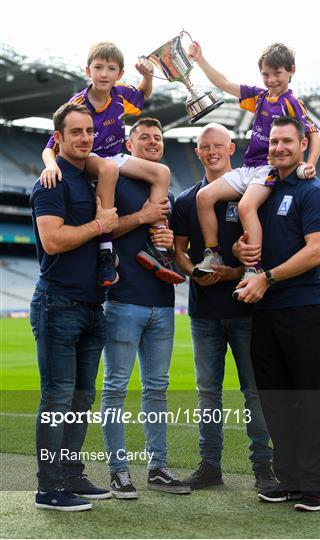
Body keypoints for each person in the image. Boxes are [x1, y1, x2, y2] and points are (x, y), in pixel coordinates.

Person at [234, 116, 320, 512]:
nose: (278, 148)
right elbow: (254, 244)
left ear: (302, 145)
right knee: (276, 399)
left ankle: (315, 486)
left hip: (302, 306)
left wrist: (268, 278)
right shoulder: (264, 188)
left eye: (286, 142)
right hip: (267, 308)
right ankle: (289, 479)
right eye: (273, 141)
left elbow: (315, 251)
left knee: (308, 398)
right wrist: (245, 254)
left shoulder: (312, 190)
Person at [173, 123, 276, 491]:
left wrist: (235, 270)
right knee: (208, 393)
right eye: (205, 146)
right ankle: (210, 465)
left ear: (231, 147)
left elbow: (265, 249)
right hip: (203, 312)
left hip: (247, 310)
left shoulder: (253, 190)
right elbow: (179, 251)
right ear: (197, 151)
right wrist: (193, 273)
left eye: (218, 145)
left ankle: (264, 466)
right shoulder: (187, 199)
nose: (212, 151)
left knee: (254, 391)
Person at [30, 102, 119, 511]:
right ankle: (49, 487)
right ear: (59, 139)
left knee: (82, 397)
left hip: (90, 306)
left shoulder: (91, 178)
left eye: (89, 131)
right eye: (76, 132)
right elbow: (53, 240)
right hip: (57, 304)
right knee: (57, 398)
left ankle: (71, 473)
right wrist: (100, 226)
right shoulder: (51, 182)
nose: (85, 138)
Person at [41, 42, 183, 287]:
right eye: (98, 67)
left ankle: (158, 246)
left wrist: (147, 77)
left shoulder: (120, 93)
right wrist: (51, 166)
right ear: (88, 72)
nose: (104, 74)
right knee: (108, 169)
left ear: (119, 74)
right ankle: (106, 250)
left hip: (115, 154)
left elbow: (143, 95)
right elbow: (49, 145)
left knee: (162, 172)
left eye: (111, 69)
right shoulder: (78, 104)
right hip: (89, 157)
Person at [101, 117, 190, 498]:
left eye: (158, 138)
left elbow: (171, 248)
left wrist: (168, 240)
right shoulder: (114, 177)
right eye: (145, 137)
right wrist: (141, 217)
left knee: (157, 389)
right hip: (123, 300)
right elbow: (102, 229)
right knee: (116, 388)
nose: (152, 142)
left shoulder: (167, 192)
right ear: (129, 143)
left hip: (161, 303)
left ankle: (158, 467)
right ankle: (118, 471)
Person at [188, 42, 320, 290]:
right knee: (203, 196)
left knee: (246, 206)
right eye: (265, 74)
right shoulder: (259, 96)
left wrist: (309, 164)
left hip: (267, 168)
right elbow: (224, 83)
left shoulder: (292, 103)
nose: (271, 80)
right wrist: (200, 60)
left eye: (277, 73)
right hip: (248, 168)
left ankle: (253, 267)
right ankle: (213, 253)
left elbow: (316, 135)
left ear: (291, 70)